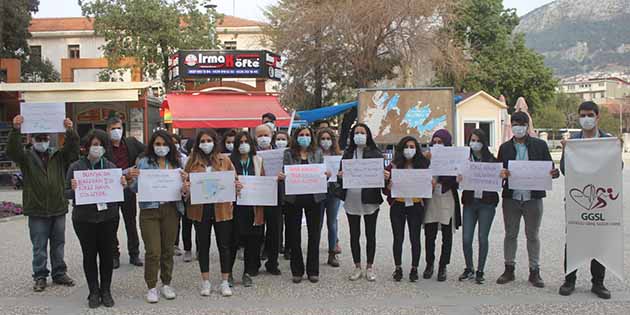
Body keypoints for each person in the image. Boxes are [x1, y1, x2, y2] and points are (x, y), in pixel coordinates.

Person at [8, 115, 79, 292]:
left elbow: (73, 150)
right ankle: (40, 275)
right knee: (39, 245)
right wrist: (16, 130)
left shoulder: (59, 156)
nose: (43, 141)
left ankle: (59, 272)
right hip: (37, 208)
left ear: (50, 139)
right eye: (39, 139)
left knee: (58, 243)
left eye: (45, 138)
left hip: (58, 206)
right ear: (32, 140)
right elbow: (12, 151)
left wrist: (70, 131)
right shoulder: (25, 157)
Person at [496, 111, 560, 288]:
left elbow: (551, 169)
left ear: (527, 126)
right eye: (514, 123)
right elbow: (498, 171)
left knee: (532, 235)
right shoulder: (505, 148)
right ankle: (509, 269)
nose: (518, 127)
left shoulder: (540, 145)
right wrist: (501, 173)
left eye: (521, 123)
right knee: (510, 234)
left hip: (533, 198)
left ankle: (535, 271)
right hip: (512, 197)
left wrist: (554, 173)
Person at [558, 101, 613, 299]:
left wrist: (617, 150)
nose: (586, 119)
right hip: (576, 200)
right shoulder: (573, 141)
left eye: (590, 114)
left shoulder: (608, 140)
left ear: (597, 117)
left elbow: (617, 169)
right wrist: (565, 151)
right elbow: (565, 170)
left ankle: (598, 283)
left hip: (600, 200)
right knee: (573, 238)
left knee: (599, 240)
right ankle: (569, 280)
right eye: (582, 115)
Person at [66, 130, 125, 308]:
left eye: (100, 145)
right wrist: (73, 189)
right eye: (93, 144)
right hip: (84, 219)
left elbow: (119, 193)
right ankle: (93, 291)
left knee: (107, 255)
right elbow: (65, 192)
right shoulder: (76, 167)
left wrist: (122, 184)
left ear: (105, 147)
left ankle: (106, 291)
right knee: (89, 255)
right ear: (86, 147)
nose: (96, 148)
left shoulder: (111, 167)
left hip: (108, 218)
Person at [130, 130, 187, 303]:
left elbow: (184, 190)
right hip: (149, 210)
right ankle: (151, 286)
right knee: (153, 250)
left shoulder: (176, 163)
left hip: (170, 209)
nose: (161, 148)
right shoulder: (144, 162)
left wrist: (185, 182)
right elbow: (134, 188)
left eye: (164, 144)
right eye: (157, 144)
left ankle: (167, 283)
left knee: (168, 249)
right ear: (152, 146)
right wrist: (132, 178)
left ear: (170, 146)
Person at [183, 129, 238, 297]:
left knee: (224, 245)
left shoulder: (225, 160)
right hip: (200, 209)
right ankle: (205, 281)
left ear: (215, 142)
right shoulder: (192, 161)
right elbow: (185, 182)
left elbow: (235, 180)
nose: (205, 144)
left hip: (221, 208)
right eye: (202, 141)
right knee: (203, 245)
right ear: (198, 143)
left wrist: (237, 185)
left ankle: (224, 281)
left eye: (209, 140)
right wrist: (185, 186)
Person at [338, 123, 388, 282]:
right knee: (354, 234)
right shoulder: (347, 154)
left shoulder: (375, 153)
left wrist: (385, 177)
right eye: (356, 133)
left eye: (362, 132)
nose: (359, 135)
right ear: (352, 136)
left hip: (370, 199)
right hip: (351, 199)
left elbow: (382, 180)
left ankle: (370, 267)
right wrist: (340, 175)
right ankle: (357, 266)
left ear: (368, 135)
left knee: (370, 234)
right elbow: (341, 176)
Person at [280, 125, 329, 283]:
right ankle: (297, 270)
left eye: (307, 134)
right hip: (293, 199)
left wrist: (326, 175)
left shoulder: (318, 152)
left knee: (314, 235)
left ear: (312, 137)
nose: (304, 137)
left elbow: (322, 175)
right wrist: (282, 175)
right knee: (294, 235)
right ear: (296, 137)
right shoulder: (288, 153)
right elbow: (285, 171)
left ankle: (313, 271)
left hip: (315, 199)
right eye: (301, 134)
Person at [383, 136, 430, 282]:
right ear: (401, 149)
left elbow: (428, 186)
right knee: (398, 238)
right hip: (398, 205)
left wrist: (430, 185)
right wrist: (387, 184)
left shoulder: (423, 166)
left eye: (412, 147)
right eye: (406, 147)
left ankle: (414, 268)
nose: (409, 150)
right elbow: (384, 190)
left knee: (415, 238)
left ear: (417, 149)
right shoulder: (393, 166)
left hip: (416, 206)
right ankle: (398, 268)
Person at [458, 129, 499, 285]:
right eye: (472, 140)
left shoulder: (493, 161)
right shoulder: (465, 160)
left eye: (477, 140)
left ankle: (480, 270)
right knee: (466, 238)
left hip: (486, 204)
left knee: (483, 237)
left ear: (483, 142)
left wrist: (500, 175)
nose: (474, 143)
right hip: (469, 202)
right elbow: (458, 178)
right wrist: (459, 177)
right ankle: (469, 267)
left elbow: (498, 180)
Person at [106, 117, 145, 268]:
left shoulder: (131, 142)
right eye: (113, 128)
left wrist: (138, 165)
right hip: (111, 190)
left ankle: (134, 254)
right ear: (108, 130)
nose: (117, 131)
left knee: (131, 222)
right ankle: (114, 255)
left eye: (119, 128)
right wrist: (124, 172)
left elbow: (146, 151)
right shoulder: (104, 146)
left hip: (128, 189)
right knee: (111, 223)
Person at [423, 129, 461, 282]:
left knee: (447, 235)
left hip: (447, 197)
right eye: (435, 142)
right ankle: (429, 264)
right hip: (431, 199)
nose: (437, 145)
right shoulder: (426, 158)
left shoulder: (454, 159)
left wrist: (457, 177)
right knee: (429, 234)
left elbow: (458, 177)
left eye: (441, 142)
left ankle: (443, 265)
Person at [229, 131, 266, 287]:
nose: (244, 145)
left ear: (251, 144)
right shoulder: (229, 160)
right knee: (232, 240)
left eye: (246, 141)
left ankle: (247, 272)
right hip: (234, 207)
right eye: (240, 142)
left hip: (253, 206)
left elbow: (263, 180)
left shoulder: (258, 160)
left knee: (252, 241)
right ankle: (228, 272)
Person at [254, 124, 282, 275]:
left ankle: (273, 262)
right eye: (259, 136)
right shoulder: (251, 152)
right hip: (256, 196)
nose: (263, 138)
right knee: (257, 230)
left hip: (275, 195)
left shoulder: (280, 153)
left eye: (266, 135)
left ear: (271, 135)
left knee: (275, 231)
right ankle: (255, 262)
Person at [317, 127, 342, 267]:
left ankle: (332, 254)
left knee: (332, 223)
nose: (325, 141)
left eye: (328, 139)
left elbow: (345, 174)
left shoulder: (338, 156)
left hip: (334, 192)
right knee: (317, 223)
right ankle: (314, 250)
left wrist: (341, 175)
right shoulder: (314, 155)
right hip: (319, 192)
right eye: (323, 139)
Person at [171, 135, 194, 262]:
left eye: (176, 142)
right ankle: (181, 246)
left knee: (191, 222)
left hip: (191, 195)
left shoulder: (185, 159)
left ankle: (195, 248)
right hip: (174, 194)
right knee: (179, 222)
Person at [272, 130, 291, 259]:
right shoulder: (270, 154)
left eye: (283, 139)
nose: (280, 142)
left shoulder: (292, 153)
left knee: (290, 222)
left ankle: (289, 248)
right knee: (277, 222)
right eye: (278, 139)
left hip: (290, 191)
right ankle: (277, 245)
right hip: (275, 190)